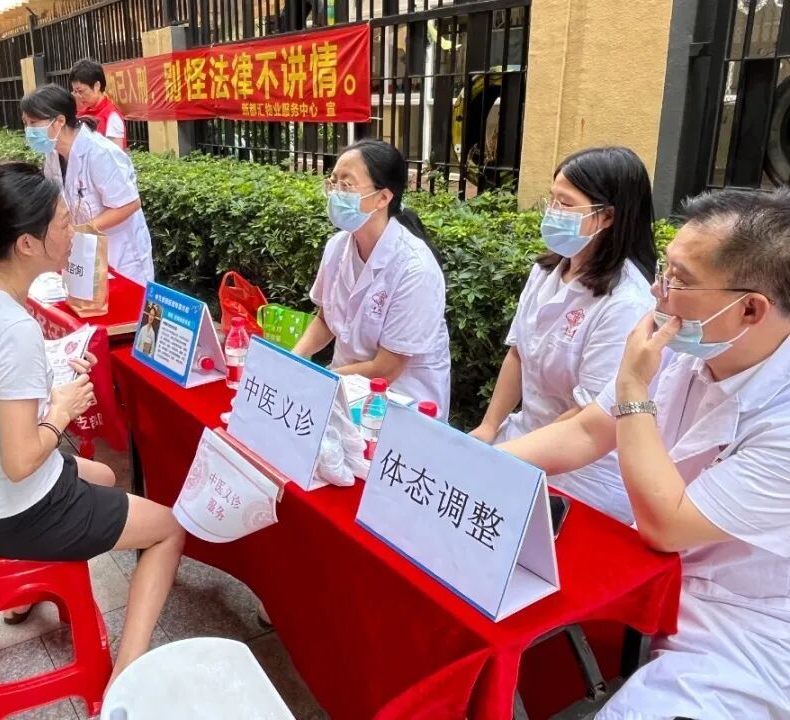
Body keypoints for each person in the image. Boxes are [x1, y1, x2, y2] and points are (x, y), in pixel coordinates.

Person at [499, 188, 790, 719]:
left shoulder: (782, 418)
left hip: (743, 622)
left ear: (750, 308)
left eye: (680, 280)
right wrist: (483, 462)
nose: (658, 291)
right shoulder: (686, 346)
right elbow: (588, 430)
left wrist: (633, 388)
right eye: (665, 270)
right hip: (649, 574)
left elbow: (667, 525)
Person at [0, 145, 183, 684]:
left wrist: (47, 365)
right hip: (13, 507)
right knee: (168, 528)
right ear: (26, 243)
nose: (74, 231)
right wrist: (61, 409)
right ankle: (129, 673)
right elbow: (21, 460)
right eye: (64, 222)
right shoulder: (11, 327)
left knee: (105, 475)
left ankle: (30, 590)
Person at [470, 147, 657, 524]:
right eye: (552, 199)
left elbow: (588, 414)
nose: (552, 212)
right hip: (523, 439)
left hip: (582, 472)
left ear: (607, 217)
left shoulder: (626, 303)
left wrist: (512, 457)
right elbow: (518, 355)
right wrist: (488, 429)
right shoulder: (547, 271)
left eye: (566, 204)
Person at [291, 139, 452, 418]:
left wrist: (319, 381)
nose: (336, 194)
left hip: (401, 402)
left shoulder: (415, 269)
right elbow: (325, 319)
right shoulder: (338, 246)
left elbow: (386, 369)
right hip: (344, 387)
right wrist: (294, 360)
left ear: (383, 198)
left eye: (347, 185)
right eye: (333, 182)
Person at [21, 84, 154, 284]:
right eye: (25, 123)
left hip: (120, 255)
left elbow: (129, 204)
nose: (28, 131)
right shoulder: (53, 154)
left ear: (59, 121)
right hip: (84, 254)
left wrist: (81, 229)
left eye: (33, 123)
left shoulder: (100, 153)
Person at [69, 59, 126, 150]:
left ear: (97, 86)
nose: (78, 96)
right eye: (75, 92)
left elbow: (116, 155)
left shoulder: (111, 116)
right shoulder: (81, 113)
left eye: (80, 91)